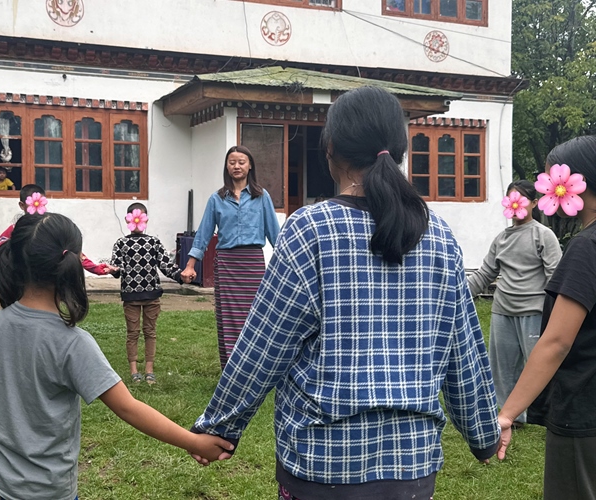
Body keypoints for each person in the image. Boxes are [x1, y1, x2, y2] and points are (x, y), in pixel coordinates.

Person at [190, 86, 500, 500]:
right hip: (412, 470)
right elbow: (464, 350)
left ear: (330, 150)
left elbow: (263, 346)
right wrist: (484, 436)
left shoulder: (310, 230)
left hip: (321, 468)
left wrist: (219, 426)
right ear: (401, 150)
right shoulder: (439, 235)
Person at [0, 213, 233, 500]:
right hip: (45, 490)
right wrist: (192, 441)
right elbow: (128, 408)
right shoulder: (72, 343)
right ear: (72, 264)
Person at [497, 136, 596, 499]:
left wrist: (507, 413)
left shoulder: (586, 247)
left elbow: (556, 342)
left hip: (584, 412)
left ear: (576, 185)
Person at [468, 180, 561, 427]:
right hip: (502, 311)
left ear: (533, 203)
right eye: (511, 198)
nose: (516, 203)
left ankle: (547, 414)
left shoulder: (543, 235)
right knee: (502, 368)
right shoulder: (501, 238)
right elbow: (484, 274)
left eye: (521, 198)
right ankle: (512, 416)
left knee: (539, 366)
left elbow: (556, 276)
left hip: (534, 311)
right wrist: (456, 293)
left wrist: (556, 312)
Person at [180, 145, 280, 368]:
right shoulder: (217, 199)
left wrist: (289, 264)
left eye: (241, 162)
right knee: (228, 317)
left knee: (255, 315)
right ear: (227, 166)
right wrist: (190, 265)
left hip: (252, 263)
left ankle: (254, 367)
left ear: (250, 165)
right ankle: (231, 368)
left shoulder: (262, 197)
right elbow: (204, 233)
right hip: (227, 264)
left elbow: (275, 234)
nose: (237, 166)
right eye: (232, 162)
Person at [0, 184, 115, 275]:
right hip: (23, 284)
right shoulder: (15, 231)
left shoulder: (54, 226)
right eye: (32, 204)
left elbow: (75, 254)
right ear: (21, 205)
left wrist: (100, 269)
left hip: (49, 285)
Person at [110, 203, 184, 384]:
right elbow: (117, 268)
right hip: (131, 297)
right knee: (132, 333)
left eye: (140, 217)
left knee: (150, 332)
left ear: (146, 220)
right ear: (128, 219)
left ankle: (149, 370)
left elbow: (166, 265)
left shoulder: (154, 242)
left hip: (152, 296)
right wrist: (112, 269)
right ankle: (134, 370)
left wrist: (181, 276)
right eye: (133, 218)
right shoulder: (121, 243)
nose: (137, 221)